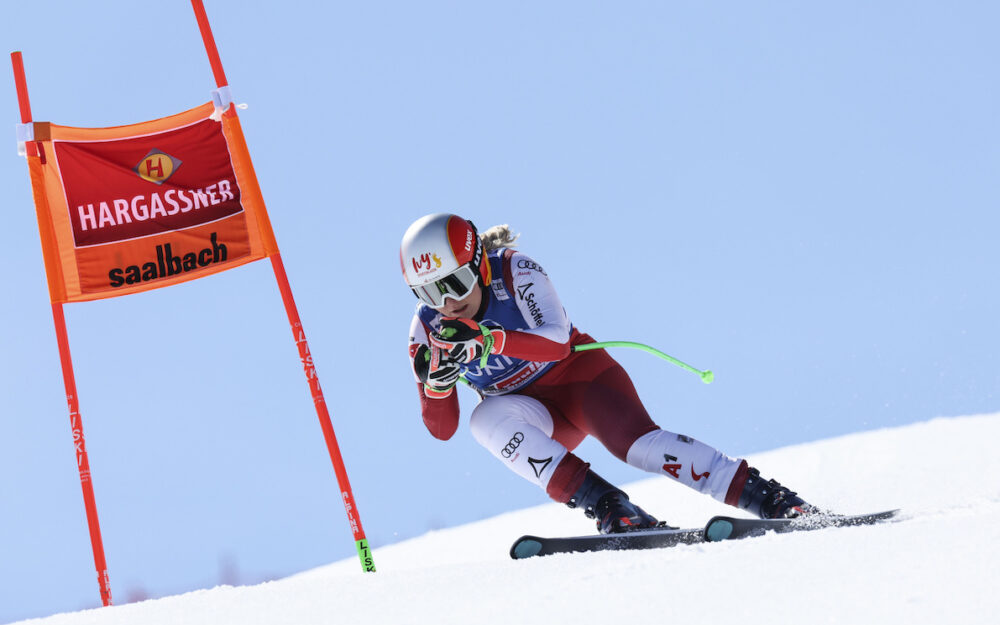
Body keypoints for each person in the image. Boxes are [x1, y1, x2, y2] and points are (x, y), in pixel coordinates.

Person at [402, 213, 817, 533]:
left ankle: (770, 499)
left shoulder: (514, 270)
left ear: (477, 265)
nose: (447, 303)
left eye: (454, 283)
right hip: (533, 415)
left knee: (639, 448)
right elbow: (442, 430)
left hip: (580, 380)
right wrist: (436, 386)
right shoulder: (426, 330)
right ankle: (610, 507)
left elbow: (557, 341)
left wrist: (490, 341)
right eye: (428, 291)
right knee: (484, 420)